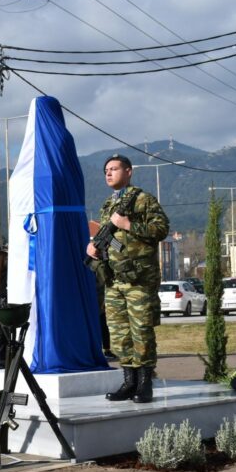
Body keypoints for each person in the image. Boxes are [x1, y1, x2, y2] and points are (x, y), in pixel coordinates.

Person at [87, 154, 169, 403]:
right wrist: (93, 247)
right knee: (119, 333)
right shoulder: (107, 205)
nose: (109, 173)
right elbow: (108, 239)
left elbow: (160, 229)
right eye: (106, 170)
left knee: (141, 331)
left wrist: (127, 224)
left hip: (138, 280)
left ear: (129, 171)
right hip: (114, 281)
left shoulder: (143, 200)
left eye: (114, 169)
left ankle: (145, 384)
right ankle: (129, 381)